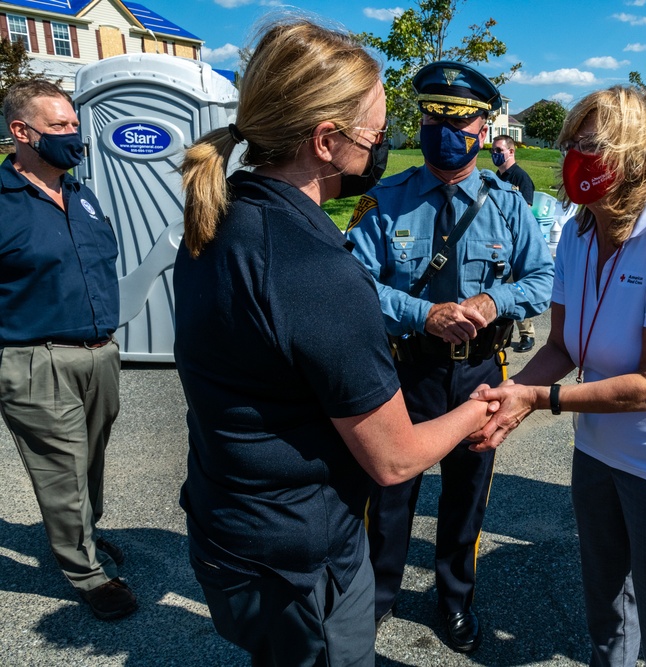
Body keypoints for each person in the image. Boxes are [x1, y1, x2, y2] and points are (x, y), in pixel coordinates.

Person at [172, 22, 497, 665]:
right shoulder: (315, 267)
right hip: (299, 560)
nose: (386, 146)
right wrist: (483, 408)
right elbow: (395, 460)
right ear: (327, 142)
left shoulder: (222, 214)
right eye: (377, 134)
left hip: (231, 528)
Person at [470, 85, 646, 667]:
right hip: (598, 450)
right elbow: (565, 344)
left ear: (636, 156)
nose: (575, 157)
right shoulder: (576, 231)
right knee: (608, 617)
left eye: (591, 145)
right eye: (571, 143)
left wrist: (543, 399)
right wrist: (514, 393)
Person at [347, 61, 553, 652]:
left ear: (482, 129)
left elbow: (542, 279)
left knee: (467, 496)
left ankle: (455, 599)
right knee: (389, 493)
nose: (446, 129)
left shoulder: (507, 203)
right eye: (435, 117)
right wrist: (422, 315)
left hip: (480, 376)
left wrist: (495, 299)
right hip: (405, 370)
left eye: (460, 121)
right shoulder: (385, 200)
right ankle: (379, 596)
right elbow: (354, 283)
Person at [0, 80, 135, 620]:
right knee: (61, 468)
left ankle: (86, 536)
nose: (72, 135)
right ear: (20, 132)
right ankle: (86, 574)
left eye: (73, 125)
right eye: (58, 127)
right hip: (35, 360)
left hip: (99, 354)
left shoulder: (84, 195)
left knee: (91, 459)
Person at [492, 134, 539, 353]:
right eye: (493, 150)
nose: (495, 154)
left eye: (499, 150)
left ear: (511, 152)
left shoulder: (521, 178)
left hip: (514, 243)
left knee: (514, 287)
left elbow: (525, 213)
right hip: (495, 242)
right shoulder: (494, 178)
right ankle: (501, 332)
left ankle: (527, 334)